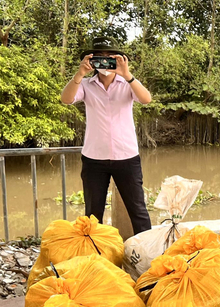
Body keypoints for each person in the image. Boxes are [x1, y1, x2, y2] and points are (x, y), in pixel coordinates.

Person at [60, 37, 152, 235]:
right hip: (94, 159)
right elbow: (66, 99)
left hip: (126, 157)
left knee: (138, 210)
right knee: (93, 214)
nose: (105, 62)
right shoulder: (85, 84)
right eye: (99, 57)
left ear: (120, 59)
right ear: (91, 61)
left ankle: (148, 255)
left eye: (111, 57)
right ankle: (94, 256)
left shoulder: (128, 83)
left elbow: (146, 99)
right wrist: (79, 73)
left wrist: (127, 75)